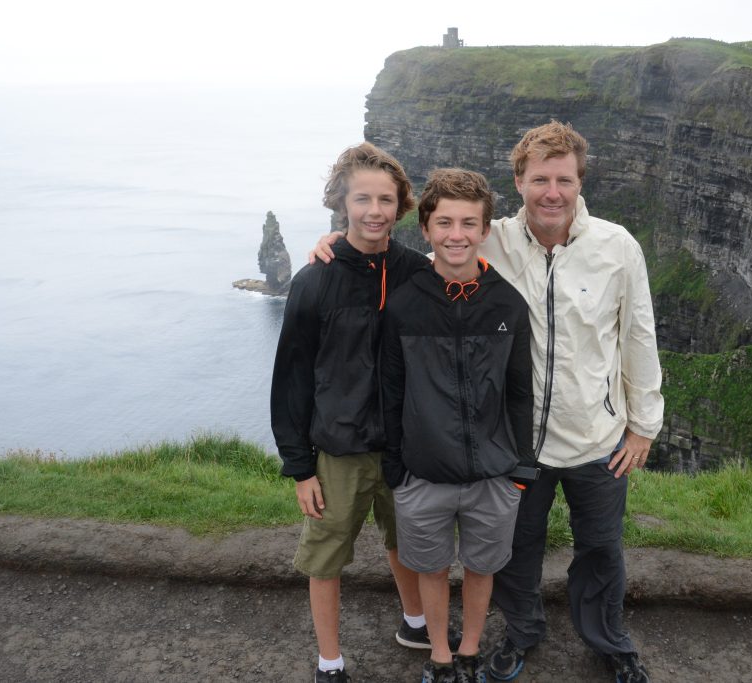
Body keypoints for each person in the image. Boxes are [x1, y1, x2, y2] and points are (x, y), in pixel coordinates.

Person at [311, 121, 664, 683]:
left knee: (601, 548)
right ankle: (522, 634)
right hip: (515, 441)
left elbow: (638, 335)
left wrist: (644, 425)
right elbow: (431, 247)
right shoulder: (491, 236)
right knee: (513, 554)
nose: (553, 192)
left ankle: (610, 641)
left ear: (579, 183)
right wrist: (338, 245)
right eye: (540, 179)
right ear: (519, 181)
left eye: (564, 180)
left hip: (596, 436)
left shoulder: (617, 248)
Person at [271, 142, 445, 683]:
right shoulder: (314, 279)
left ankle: (416, 622)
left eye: (386, 200)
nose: (375, 210)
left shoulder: (418, 272)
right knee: (325, 557)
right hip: (339, 450)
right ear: (341, 204)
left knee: (409, 542)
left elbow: (473, 245)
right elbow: (292, 378)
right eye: (362, 198)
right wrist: (300, 467)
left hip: (405, 445)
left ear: (402, 207)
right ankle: (330, 661)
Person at [378, 168, 534, 683]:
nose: (456, 234)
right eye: (444, 222)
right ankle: (440, 656)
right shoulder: (403, 305)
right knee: (430, 568)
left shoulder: (507, 302)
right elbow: (391, 391)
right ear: (425, 229)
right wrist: (398, 468)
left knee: (481, 568)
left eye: (469, 222)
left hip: (494, 472)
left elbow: (519, 391)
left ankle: (469, 652)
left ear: (486, 229)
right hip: (423, 473)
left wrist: (520, 468)